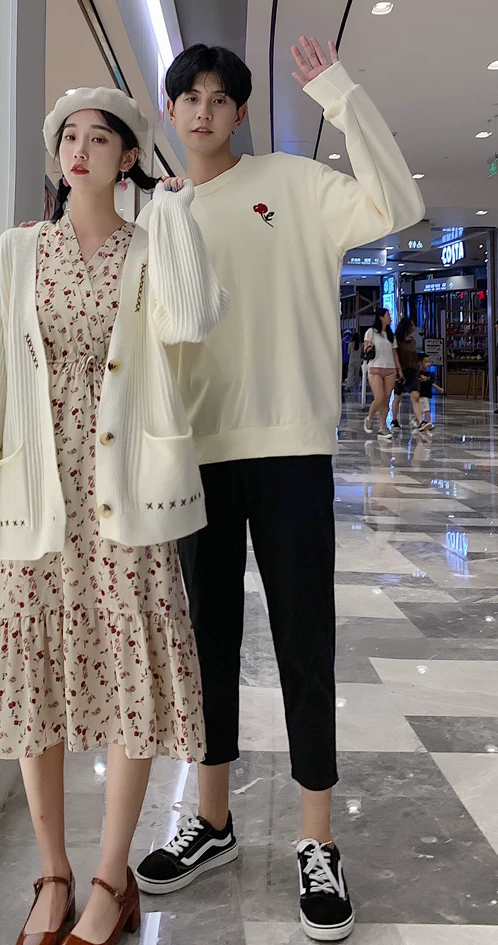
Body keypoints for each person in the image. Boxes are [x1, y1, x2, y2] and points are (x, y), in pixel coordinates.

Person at [134, 37, 424, 943]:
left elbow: (401, 202)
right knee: (206, 644)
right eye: (189, 97)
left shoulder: (292, 185)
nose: (203, 111)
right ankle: (212, 819)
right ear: (171, 110)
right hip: (198, 453)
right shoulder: (162, 213)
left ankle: (317, 837)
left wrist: (340, 93)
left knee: (304, 639)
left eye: (219, 98)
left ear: (241, 112)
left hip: (292, 447)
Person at [0, 87, 228, 945]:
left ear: (128, 156)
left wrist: (176, 218)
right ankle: (52, 874)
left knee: (132, 677)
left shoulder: (150, 248)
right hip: (37, 501)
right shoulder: (17, 250)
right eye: (68, 136)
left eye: (99, 137)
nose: (79, 149)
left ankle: (112, 877)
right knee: (34, 682)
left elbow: (196, 320)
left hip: (124, 506)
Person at [362, 309, 401, 440]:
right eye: (387, 315)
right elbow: (366, 348)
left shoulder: (391, 335)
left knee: (386, 399)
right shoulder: (371, 332)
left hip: (390, 369)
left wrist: (399, 370)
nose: (390, 317)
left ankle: (382, 428)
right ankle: (369, 417)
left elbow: (394, 354)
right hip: (375, 367)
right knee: (379, 397)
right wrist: (368, 347)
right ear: (380, 317)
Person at [391, 317, 428, 432]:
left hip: (413, 371)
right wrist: (398, 371)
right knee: (398, 396)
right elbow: (395, 356)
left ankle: (420, 421)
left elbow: (414, 356)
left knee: (415, 396)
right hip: (401, 371)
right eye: (412, 325)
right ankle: (394, 419)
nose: (414, 327)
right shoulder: (397, 341)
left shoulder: (413, 341)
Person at [418, 353, 443, 429]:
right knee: (426, 409)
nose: (428, 364)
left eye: (429, 361)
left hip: (428, 394)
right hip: (422, 395)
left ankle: (414, 420)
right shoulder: (418, 373)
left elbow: (432, 383)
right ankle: (429, 423)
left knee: (422, 410)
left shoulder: (428, 374)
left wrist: (438, 388)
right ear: (420, 363)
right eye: (426, 362)